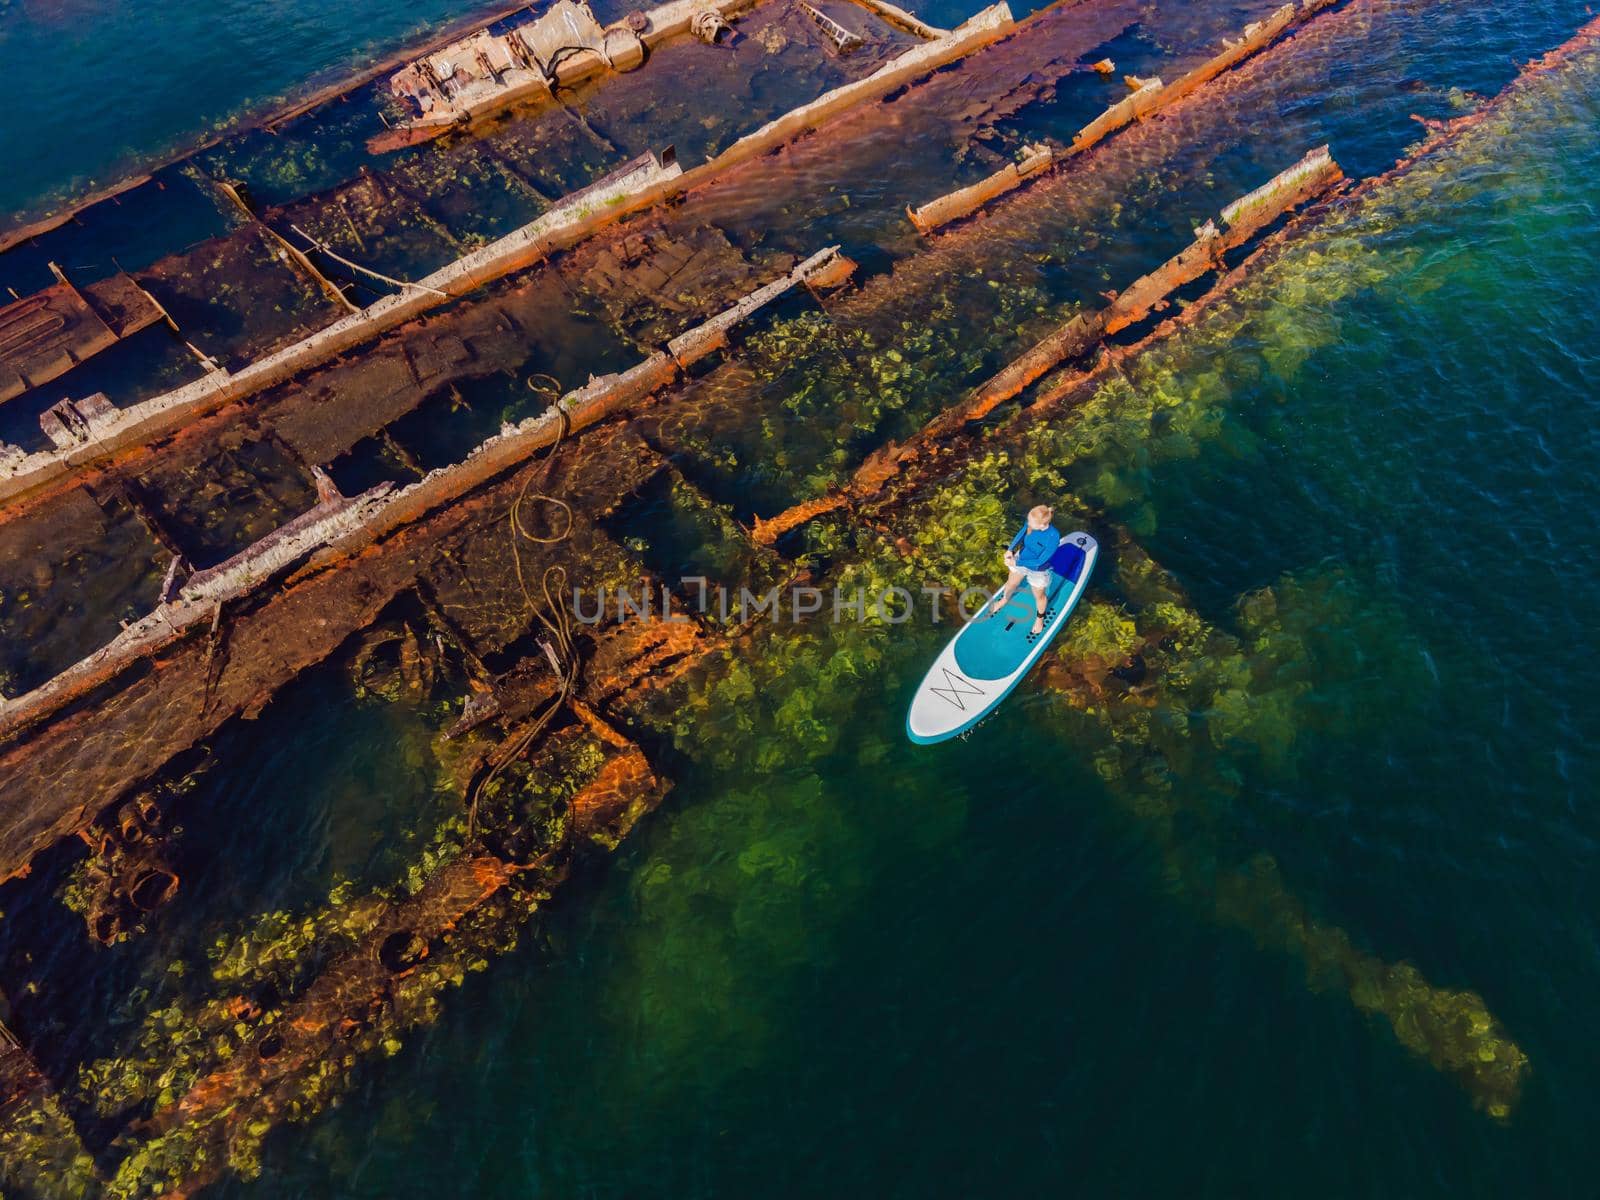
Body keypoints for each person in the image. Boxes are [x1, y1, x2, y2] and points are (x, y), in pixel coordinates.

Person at [989, 504, 1061, 635]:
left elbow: (1041, 561)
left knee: (1039, 596)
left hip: (1038, 569)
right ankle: (1004, 599)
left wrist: (1016, 561)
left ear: (1041, 525)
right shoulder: (1031, 522)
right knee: (1011, 583)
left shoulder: (1053, 536)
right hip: (1020, 558)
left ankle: (1040, 618)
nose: (1028, 523)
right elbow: (1022, 532)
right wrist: (1010, 549)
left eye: (1031, 522)